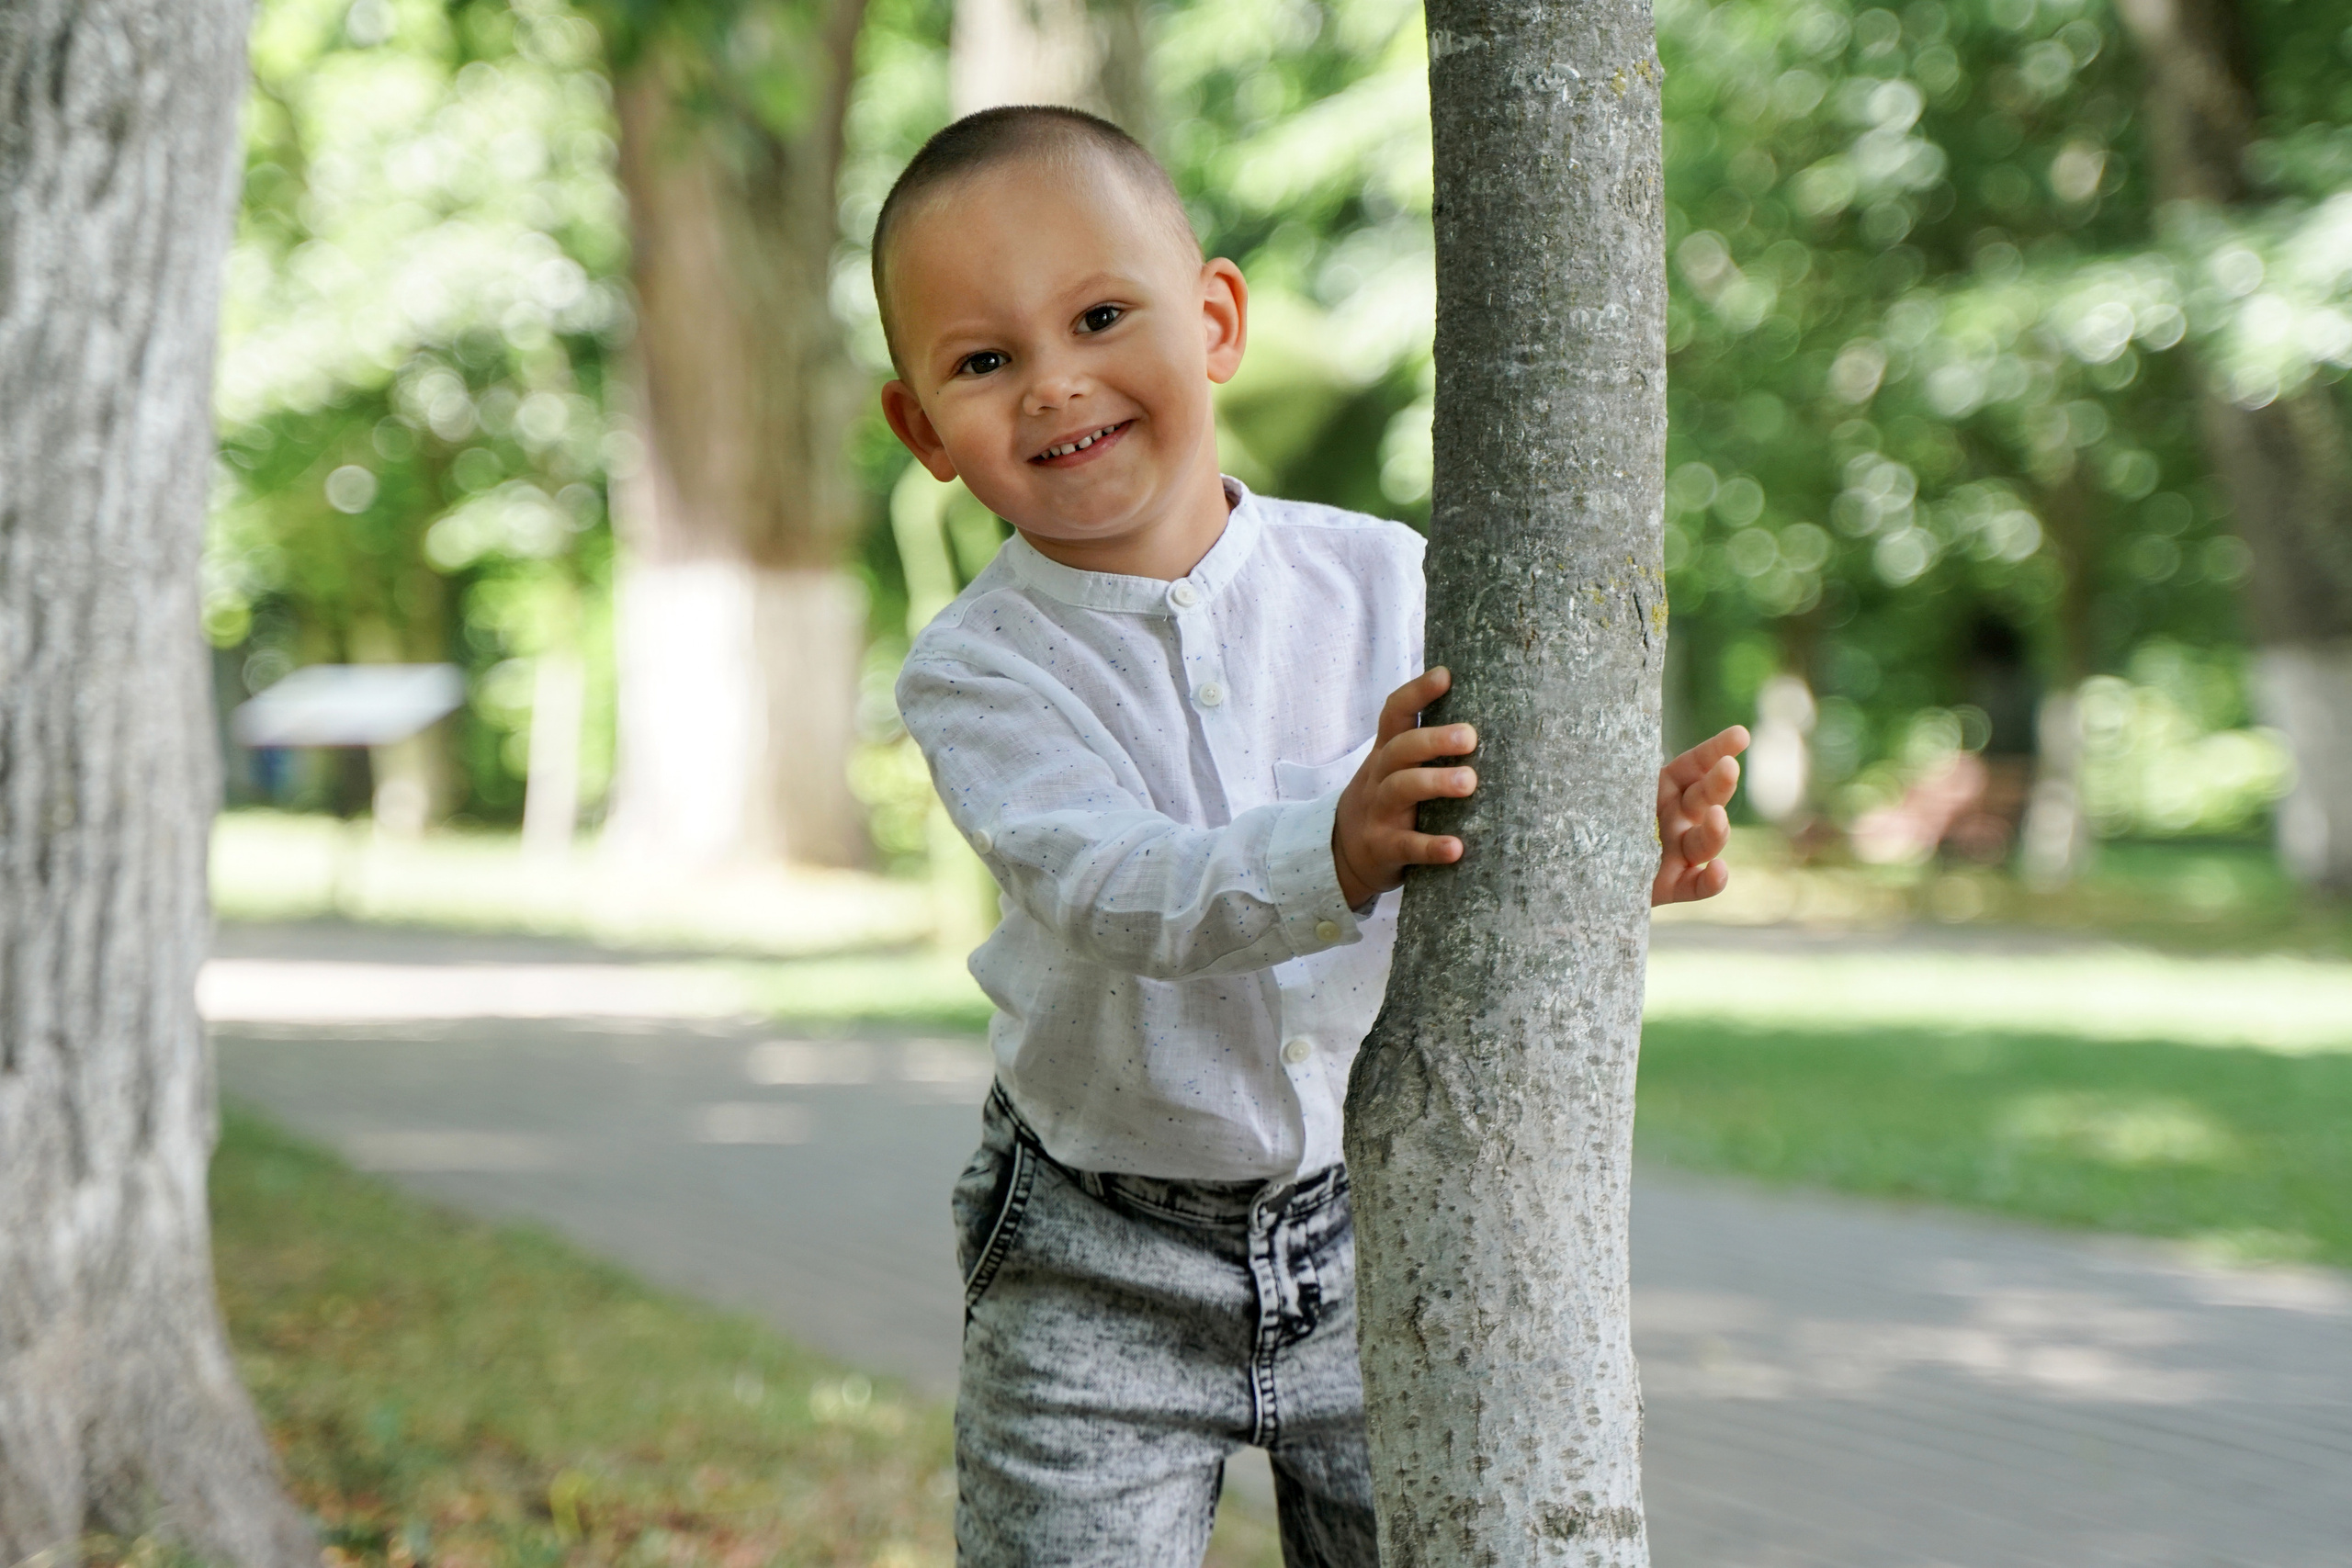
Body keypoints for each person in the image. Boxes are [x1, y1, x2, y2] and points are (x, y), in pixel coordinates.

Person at [874, 105, 1748, 1567]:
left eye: (1100, 316)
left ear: (1216, 321)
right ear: (922, 431)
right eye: (983, 361)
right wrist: (1329, 848)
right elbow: (1111, 885)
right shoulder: (979, 671)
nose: (1054, 383)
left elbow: (1472, 829)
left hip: (1372, 1231)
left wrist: (1602, 857)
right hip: (1096, 1252)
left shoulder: (1387, 584)